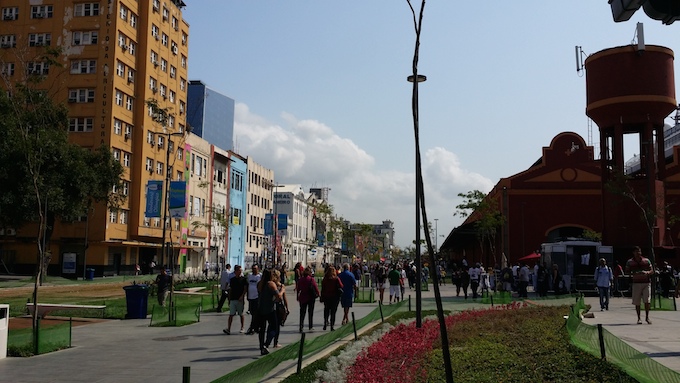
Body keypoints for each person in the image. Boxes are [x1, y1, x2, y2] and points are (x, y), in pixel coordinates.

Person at [257, 269, 283, 355]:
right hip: (270, 309)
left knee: (262, 329)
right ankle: (266, 344)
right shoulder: (271, 284)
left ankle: (261, 347)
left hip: (260, 309)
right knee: (274, 327)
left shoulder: (260, 284)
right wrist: (282, 290)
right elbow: (278, 296)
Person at [626, 246, 653, 324]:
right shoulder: (630, 262)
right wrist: (635, 273)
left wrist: (647, 272)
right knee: (637, 301)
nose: (638, 253)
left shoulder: (646, 260)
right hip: (636, 283)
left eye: (639, 251)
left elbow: (652, 270)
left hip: (646, 282)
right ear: (633, 252)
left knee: (647, 300)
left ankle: (647, 317)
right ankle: (639, 318)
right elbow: (627, 272)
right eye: (636, 251)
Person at [223, 265, 247, 335]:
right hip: (233, 298)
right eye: (239, 270)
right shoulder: (232, 280)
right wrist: (229, 299)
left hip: (240, 299)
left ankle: (242, 327)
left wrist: (242, 296)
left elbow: (245, 289)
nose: (240, 272)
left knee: (241, 314)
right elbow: (231, 289)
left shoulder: (243, 279)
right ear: (235, 271)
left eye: (241, 270)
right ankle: (228, 329)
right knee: (231, 314)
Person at [296, 266, 320, 332]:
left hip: (303, 297)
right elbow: (315, 287)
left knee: (302, 313)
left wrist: (297, 296)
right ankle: (310, 326)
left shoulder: (300, 279)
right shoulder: (311, 279)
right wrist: (318, 294)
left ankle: (301, 326)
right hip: (310, 297)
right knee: (310, 312)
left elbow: (298, 289)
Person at [320, 265, 343, 331]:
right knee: (333, 312)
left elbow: (323, 288)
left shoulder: (325, 279)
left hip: (327, 297)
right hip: (335, 297)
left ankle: (325, 323)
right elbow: (341, 286)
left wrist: (322, 296)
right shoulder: (336, 279)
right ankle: (332, 326)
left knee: (326, 310)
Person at [271, 269, 288, 348]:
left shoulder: (271, 285)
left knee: (274, 324)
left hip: (273, 306)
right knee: (277, 325)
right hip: (278, 306)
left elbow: (285, 298)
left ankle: (272, 341)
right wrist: (287, 308)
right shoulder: (280, 286)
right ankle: (274, 342)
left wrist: (287, 307)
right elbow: (284, 298)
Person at [245, 265, 262, 335]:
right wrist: (247, 295)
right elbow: (247, 285)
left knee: (255, 313)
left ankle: (253, 327)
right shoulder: (250, 275)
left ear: (258, 269)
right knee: (252, 313)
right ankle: (255, 327)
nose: (254, 270)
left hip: (257, 297)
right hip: (250, 297)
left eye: (255, 268)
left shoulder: (260, 276)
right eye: (253, 268)